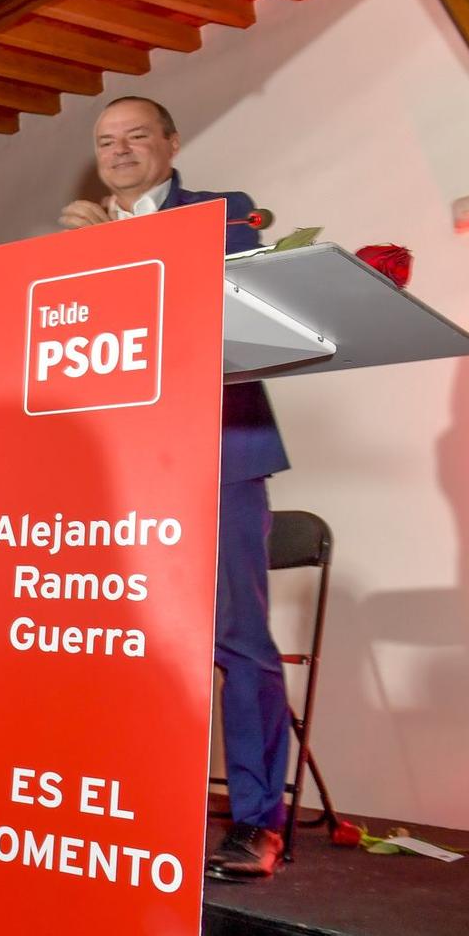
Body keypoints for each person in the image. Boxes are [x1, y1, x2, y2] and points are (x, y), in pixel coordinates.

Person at [61, 95, 293, 880]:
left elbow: (211, 284)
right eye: (105, 141)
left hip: (223, 455)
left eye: (135, 136)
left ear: (170, 141)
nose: (120, 151)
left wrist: (117, 242)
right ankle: (146, 804)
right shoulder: (79, 234)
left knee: (240, 641)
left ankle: (260, 820)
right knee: (137, 646)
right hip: (130, 469)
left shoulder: (223, 214)